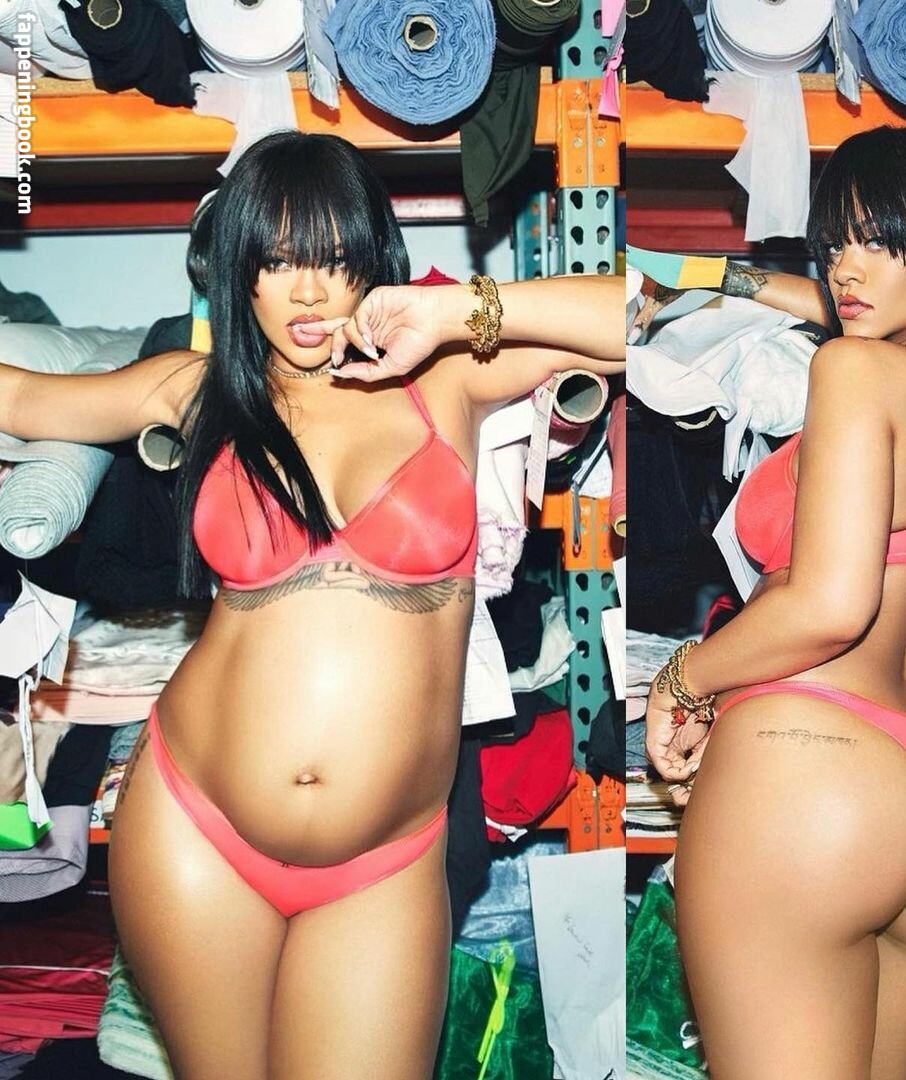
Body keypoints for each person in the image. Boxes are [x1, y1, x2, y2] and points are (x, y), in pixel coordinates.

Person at [0, 130, 624, 1079]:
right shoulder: (200, 390)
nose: (307, 290)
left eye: (333, 259)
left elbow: (633, 315)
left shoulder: (447, 378)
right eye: (278, 259)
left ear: (372, 263)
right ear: (239, 272)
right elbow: (20, 397)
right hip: (196, 825)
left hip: (383, 860)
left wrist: (456, 311)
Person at [642, 125, 906, 1078]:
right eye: (834, 242)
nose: (844, 267)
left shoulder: (858, 373)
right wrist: (742, 280)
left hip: (816, 768)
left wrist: (685, 677)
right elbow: (855, 305)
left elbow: (830, 606)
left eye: (878, 239)